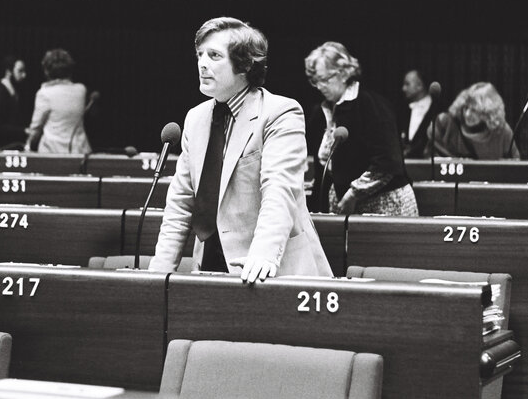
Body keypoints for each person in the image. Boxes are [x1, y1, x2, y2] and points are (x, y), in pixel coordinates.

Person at [149, 17, 332, 284]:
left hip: (272, 267)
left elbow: (279, 190)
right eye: (200, 54)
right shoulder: (195, 118)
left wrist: (263, 255)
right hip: (210, 262)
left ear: (245, 65)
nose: (202, 63)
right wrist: (157, 275)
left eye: (214, 56)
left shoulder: (280, 112)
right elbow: (180, 204)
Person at [305, 42, 418, 216]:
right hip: (344, 208)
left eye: (325, 79)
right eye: (315, 81)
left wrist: (353, 194)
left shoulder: (371, 105)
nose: (319, 86)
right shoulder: (321, 111)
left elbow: (387, 162)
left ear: (343, 73)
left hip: (385, 206)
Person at [427, 82, 519, 159]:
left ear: (489, 113)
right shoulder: (445, 123)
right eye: (466, 107)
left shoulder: (502, 132)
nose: (467, 114)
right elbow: (427, 158)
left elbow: (514, 167)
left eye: (474, 110)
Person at [25, 48, 92, 154]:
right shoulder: (81, 90)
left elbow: (36, 128)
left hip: (52, 152)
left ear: (47, 71)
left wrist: (27, 146)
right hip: (79, 152)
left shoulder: (44, 93)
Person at [399, 69, 438, 158]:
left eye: (407, 84)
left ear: (420, 85)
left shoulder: (438, 110)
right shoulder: (402, 110)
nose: (403, 88)